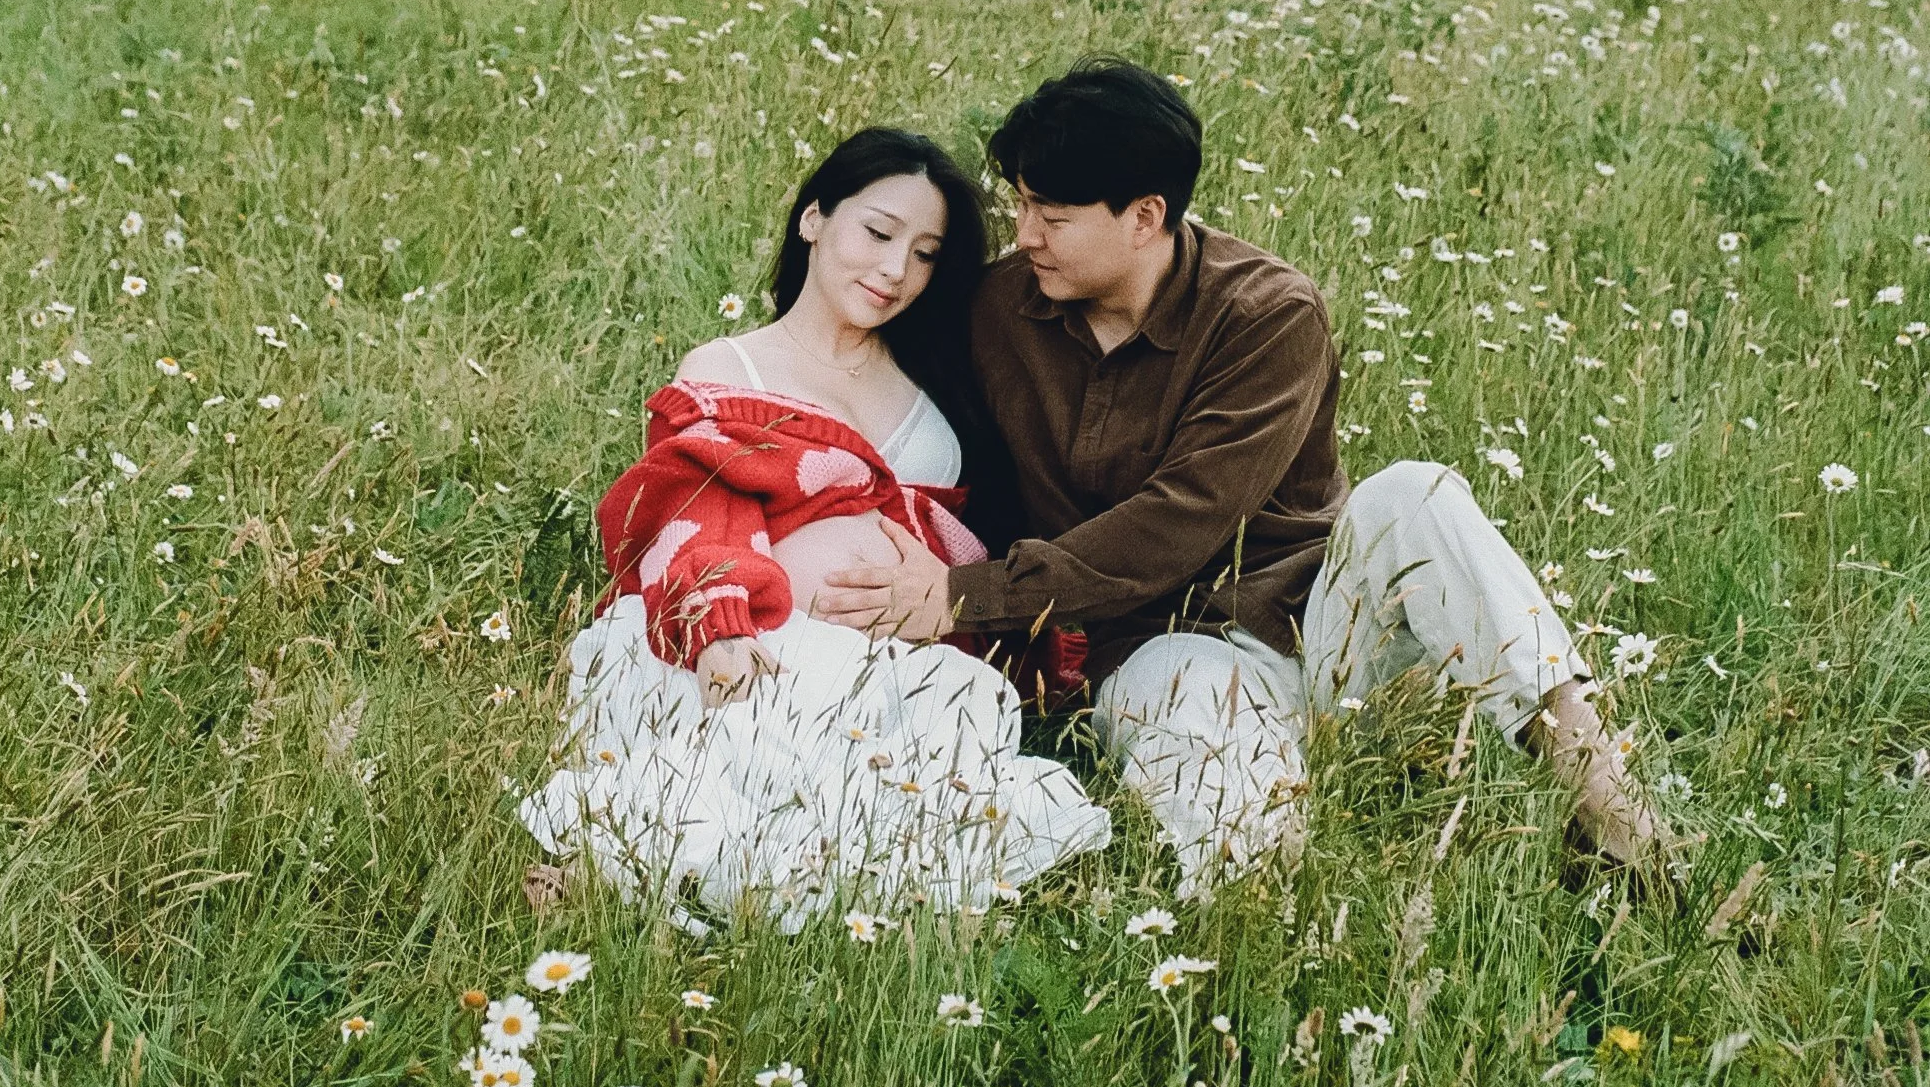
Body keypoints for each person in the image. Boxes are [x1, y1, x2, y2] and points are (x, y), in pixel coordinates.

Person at [816, 62, 1665, 894]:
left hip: (1320, 626)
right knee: (1247, 858)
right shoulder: (1000, 309)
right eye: (1022, 205)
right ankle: (1278, 919)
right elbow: (862, 371)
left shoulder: (1264, 313)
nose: (1025, 233)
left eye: (1053, 214)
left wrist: (966, 593)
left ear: (1144, 216)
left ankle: (1612, 814)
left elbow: (1184, 517)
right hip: (1154, 648)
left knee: (1415, 493)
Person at [519, 127, 1111, 921]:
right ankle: (627, 873)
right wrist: (719, 616)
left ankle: (781, 894)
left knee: (910, 767)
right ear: (812, 220)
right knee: (763, 717)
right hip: (755, 631)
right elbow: (693, 502)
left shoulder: (941, 385)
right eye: (877, 232)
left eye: (927, 254)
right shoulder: (731, 368)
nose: (895, 269)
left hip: (903, 663)